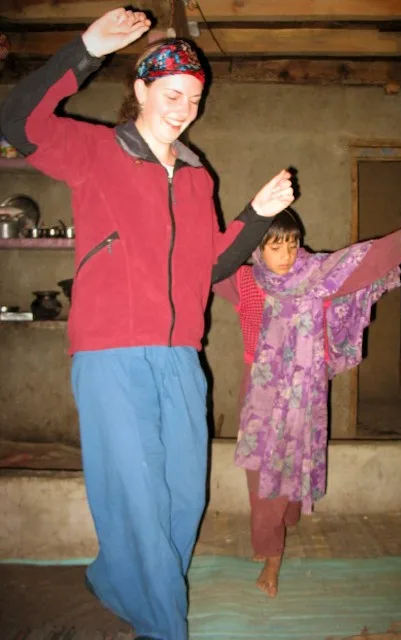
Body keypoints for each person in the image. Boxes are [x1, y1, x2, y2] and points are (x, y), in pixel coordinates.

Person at [0, 8, 294, 640]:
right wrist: (84, 49)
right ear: (139, 91)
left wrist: (253, 216)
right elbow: (16, 121)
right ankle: (164, 628)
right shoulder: (95, 152)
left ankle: (113, 580)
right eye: (171, 94)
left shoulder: (196, 175)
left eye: (194, 97)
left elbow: (211, 264)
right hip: (111, 353)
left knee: (185, 498)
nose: (184, 107)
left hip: (181, 357)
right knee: (137, 499)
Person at [214, 206, 401, 598]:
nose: (287, 254)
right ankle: (276, 531)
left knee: (279, 475)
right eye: (275, 246)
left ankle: (273, 556)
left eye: (292, 243)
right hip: (260, 394)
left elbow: (361, 261)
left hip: (302, 395)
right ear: (258, 248)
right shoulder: (245, 281)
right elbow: (203, 265)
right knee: (261, 473)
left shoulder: (315, 276)